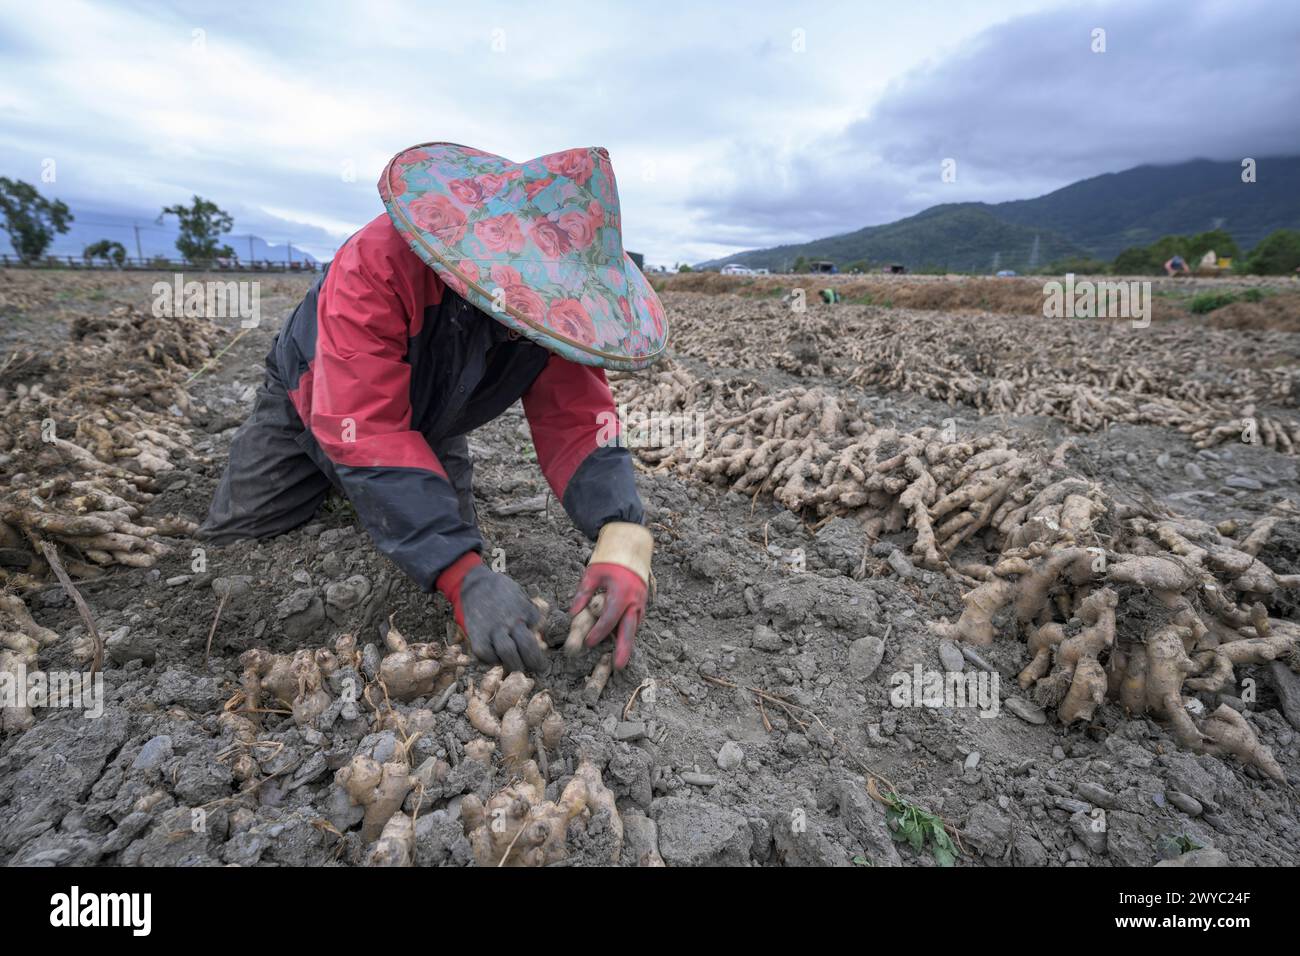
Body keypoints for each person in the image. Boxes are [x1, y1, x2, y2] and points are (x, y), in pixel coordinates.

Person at [199, 143, 669, 674]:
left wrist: (622, 530)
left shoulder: (557, 314)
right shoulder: (378, 263)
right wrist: (461, 574)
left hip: (438, 416)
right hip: (309, 395)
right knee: (238, 535)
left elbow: (579, 419)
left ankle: (402, 497)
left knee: (449, 535)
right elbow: (363, 425)